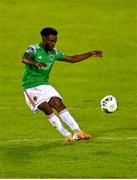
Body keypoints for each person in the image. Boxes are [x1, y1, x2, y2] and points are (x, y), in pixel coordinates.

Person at [21, 27, 102, 143]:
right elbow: (24, 59)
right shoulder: (33, 49)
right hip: (30, 87)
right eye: (51, 41)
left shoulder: (54, 53)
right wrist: (35, 63)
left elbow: (72, 59)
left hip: (44, 84)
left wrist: (90, 53)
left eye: (55, 41)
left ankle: (77, 131)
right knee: (47, 108)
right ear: (44, 39)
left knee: (58, 103)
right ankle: (67, 135)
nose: (53, 44)